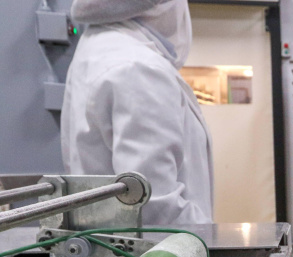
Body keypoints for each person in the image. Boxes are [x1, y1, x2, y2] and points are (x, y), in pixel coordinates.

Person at [61, 0, 214, 225]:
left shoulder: (97, 50)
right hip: (162, 255)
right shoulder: (138, 68)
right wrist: (215, 248)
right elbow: (154, 207)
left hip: (111, 244)